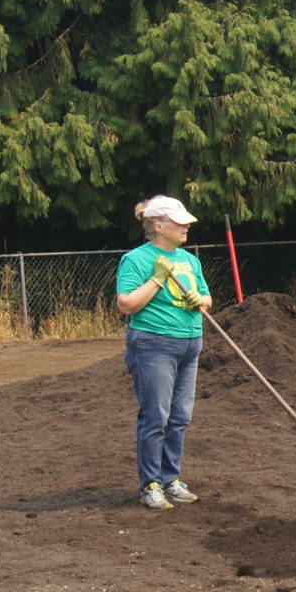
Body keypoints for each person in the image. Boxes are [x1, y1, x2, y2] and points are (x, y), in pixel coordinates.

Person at [115, 196, 217, 511]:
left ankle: (171, 479)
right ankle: (151, 484)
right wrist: (158, 279)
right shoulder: (136, 260)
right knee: (155, 416)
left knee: (180, 417)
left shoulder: (190, 260)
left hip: (190, 342)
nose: (186, 226)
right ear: (158, 226)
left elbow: (208, 298)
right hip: (153, 344)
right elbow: (126, 305)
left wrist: (198, 299)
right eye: (179, 222)